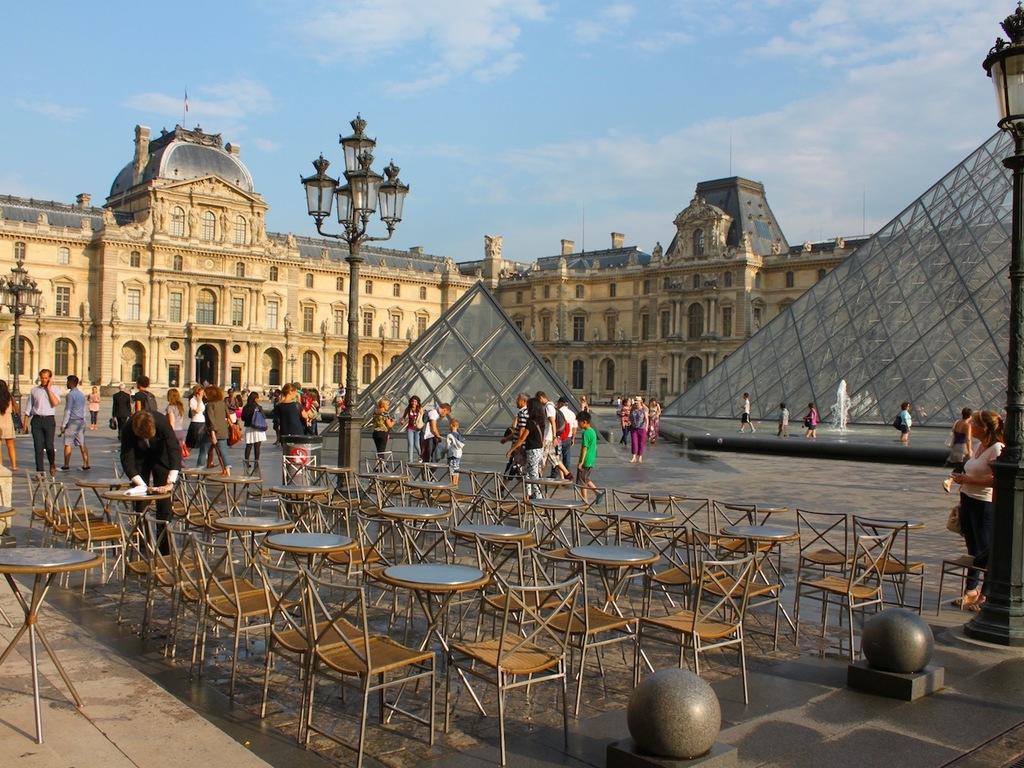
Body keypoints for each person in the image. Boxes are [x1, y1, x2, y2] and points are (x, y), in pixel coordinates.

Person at [950, 409, 1004, 611]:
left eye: (974, 423)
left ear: (984, 427)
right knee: (973, 550)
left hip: (983, 505)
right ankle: (971, 592)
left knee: (984, 551)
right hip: (969, 501)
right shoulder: (982, 445)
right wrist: (962, 480)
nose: (970, 426)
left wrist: (970, 479)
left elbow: (998, 478)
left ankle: (984, 595)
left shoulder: (998, 448)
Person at [120, 410, 180, 551]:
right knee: (140, 503)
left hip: (161, 456)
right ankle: (142, 543)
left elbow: (173, 449)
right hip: (140, 457)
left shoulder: (162, 422)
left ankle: (164, 545)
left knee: (164, 503)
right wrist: (142, 485)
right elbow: (126, 458)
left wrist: (170, 482)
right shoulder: (128, 427)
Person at [507, 397, 546, 500]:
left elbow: (522, 438)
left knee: (532, 474)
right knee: (528, 472)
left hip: (532, 450)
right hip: (539, 450)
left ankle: (538, 497)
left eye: (528, 406)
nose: (527, 408)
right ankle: (528, 496)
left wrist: (511, 450)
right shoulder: (541, 421)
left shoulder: (531, 422)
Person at [25, 368, 61, 475]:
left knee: (49, 445)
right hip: (36, 420)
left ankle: (52, 463)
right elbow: (29, 407)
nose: (44, 380)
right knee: (38, 446)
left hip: (49, 420)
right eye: (42, 378)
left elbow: (54, 403)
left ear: (50, 378)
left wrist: (49, 389)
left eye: (46, 378)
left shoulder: (55, 389)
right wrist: (25, 422)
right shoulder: (34, 390)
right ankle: (40, 471)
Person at [59, 374, 89, 471]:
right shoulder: (81, 394)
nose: (66, 384)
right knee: (82, 443)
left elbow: (68, 410)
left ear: (71, 383)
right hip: (81, 421)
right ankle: (86, 463)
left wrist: (63, 424)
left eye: (67, 382)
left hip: (72, 421)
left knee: (68, 443)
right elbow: (84, 409)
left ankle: (66, 464)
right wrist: (84, 420)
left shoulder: (70, 395)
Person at [203, 385, 235, 475]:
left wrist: (213, 434)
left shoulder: (209, 405)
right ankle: (226, 470)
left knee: (204, 451)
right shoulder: (222, 403)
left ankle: (199, 468)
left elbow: (211, 420)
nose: (204, 395)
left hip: (214, 431)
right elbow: (228, 415)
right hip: (223, 430)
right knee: (223, 450)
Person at [943, 408, 973, 493]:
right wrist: (970, 450)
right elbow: (968, 439)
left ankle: (960, 486)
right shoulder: (967, 425)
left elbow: (954, 435)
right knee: (964, 467)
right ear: (970, 416)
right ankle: (950, 481)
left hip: (956, 446)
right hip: (963, 447)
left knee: (961, 466)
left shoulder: (957, 422)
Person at [575, 411, 599, 503]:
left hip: (585, 460)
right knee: (585, 478)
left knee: (582, 482)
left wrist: (581, 462)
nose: (578, 424)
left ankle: (584, 500)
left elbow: (585, 448)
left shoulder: (585, 433)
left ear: (584, 422)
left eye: (579, 422)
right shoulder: (592, 431)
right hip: (591, 459)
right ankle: (597, 492)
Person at [241, 391, 268, 469]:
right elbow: (264, 417)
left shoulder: (245, 407)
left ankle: (247, 462)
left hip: (249, 428)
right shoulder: (258, 407)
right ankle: (256, 463)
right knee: (257, 447)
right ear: (255, 399)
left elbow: (242, 418)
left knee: (248, 446)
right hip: (257, 428)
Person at [186, 385, 209, 465]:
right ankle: (182, 459)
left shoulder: (202, 400)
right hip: (195, 423)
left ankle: (201, 464)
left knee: (203, 444)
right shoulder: (192, 400)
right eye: (201, 392)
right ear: (197, 392)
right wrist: (199, 401)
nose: (203, 393)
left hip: (202, 422)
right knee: (191, 444)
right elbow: (197, 410)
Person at [0, 380, 17, 471]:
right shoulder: (10, 397)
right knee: (11, 446)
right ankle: (14, 465)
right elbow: (16, 410)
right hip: (8, 423)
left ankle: (1, 465)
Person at [166, 388, 187, 456]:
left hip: (174, 431)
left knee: (172, 451)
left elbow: (172, 421)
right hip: (180, 431)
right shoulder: (180, 406)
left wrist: (170, 433)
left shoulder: (170, 407)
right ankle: (181, 462)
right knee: (180, 450)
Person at [402, 396, 423, 463]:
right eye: (413, 401)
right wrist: (402, 420)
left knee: (416, 444)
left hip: (417, 429)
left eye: (415, 401)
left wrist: (421, 413)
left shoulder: (420, 409)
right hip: (410, 428)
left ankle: (421, 456)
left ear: (417, 402)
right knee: (410, 444)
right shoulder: (408, 409)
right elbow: (403, 417)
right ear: (410, 402)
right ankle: (410, 460)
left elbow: (423, 418)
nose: (414, 403)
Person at [445, 419, 465, 485]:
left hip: (452, 454)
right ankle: (456, 484)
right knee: (457, 468)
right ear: (457, 426)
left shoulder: (449, 435)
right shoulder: (459, 436)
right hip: (458, 454)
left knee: (452, 469)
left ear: (451, 425)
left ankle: (452, 484)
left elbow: (448, 446)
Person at [629, 396, 649, 464]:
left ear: (640, 402)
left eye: (637, 402)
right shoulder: (633, 408)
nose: (636, 403)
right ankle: (634, 457)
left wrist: (646, 427)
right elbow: (630, 416)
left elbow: (646, 418)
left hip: (642, 428)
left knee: (641, 443)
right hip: (634, 428)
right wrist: (630, 422)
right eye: (635, 402)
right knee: (634, 442)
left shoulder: (644, 409)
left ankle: (640, 456)